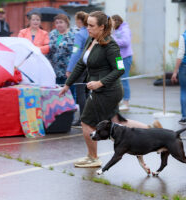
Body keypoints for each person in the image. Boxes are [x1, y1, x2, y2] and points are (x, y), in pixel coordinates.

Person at [59, 11, 160, 168]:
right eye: (87, 25)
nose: (88, 28)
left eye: (92, 26)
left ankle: (93, 158)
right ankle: (152, 129)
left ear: (102, 27)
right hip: (102, 90)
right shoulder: (90, 39)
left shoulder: (111, 45)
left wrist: (100, 83)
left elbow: (119, 69)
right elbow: (81, 64)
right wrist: (67, 84)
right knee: (117, 121)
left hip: (108, 91)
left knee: (86, 122)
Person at [66, 11, 89, 127]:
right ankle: (89, 117)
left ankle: (82, 119)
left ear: (80, 21)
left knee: (81, 93)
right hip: (91, 66)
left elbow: (75, 53)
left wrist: (70, 69)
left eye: (76, 20)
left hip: (82, 67)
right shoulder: (91, 33)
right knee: (88, 92)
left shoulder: (80, 34)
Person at [111, 15, 133, 111]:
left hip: (125, 58)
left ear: (116, 21)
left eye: (111, 22)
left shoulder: (125, 29)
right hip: (119, 58)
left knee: (124, 79)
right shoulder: (116, 30)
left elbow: (126, 42)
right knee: (118, 79)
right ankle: (120, 100)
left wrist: (112, 40)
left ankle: (126, 102)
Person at [47, 14, 74, 85]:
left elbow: (76, 51)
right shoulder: (53, 33)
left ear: (66, 23)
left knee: (70, 92)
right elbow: (48, 49)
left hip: (69, 69)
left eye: (61, 22)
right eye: (57, 23)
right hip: (55, 70)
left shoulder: (73, 33)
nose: (59, 24)